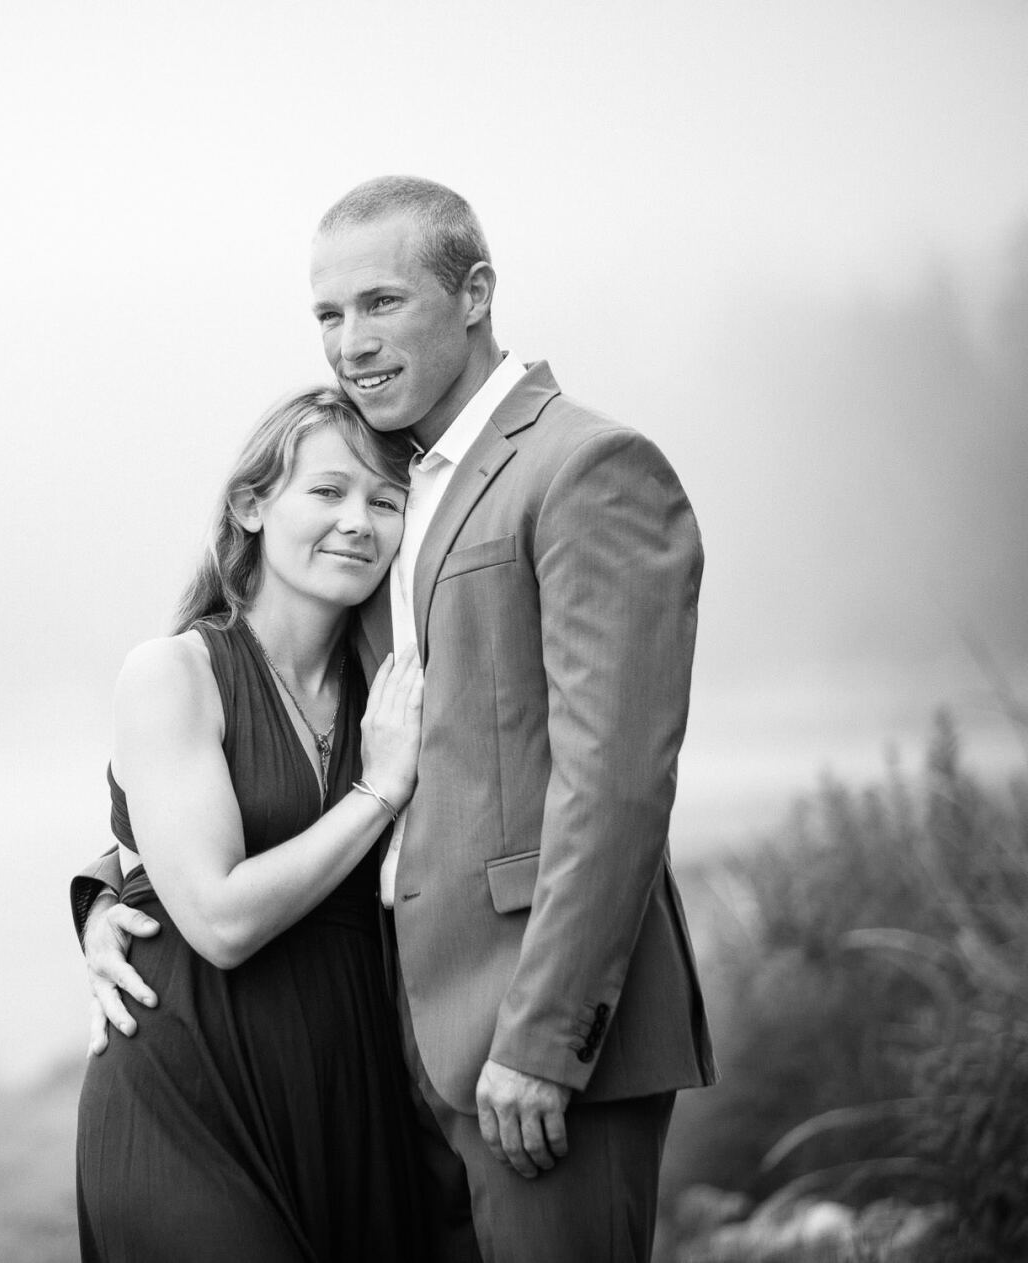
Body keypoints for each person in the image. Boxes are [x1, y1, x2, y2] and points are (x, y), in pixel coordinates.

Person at [74, 176, 716, 1262]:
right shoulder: (407, 496)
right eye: (329, 314)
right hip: (395, 1055)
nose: (351, 341)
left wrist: (547, 1038)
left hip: (529, 1041)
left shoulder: (583, 468)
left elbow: (615, 783)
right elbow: (290, 752)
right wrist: (111, 891)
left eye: (381, 303)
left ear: (474, 293)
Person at [75, 387, 428, 1261]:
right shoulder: (174, 673)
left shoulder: (399, 687)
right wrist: (377, 793)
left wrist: (97, 894)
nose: (358, 521)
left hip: (349, 1101)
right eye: (328, 491)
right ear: (252, 504)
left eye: (386, 501)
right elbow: (221, 919)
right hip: (187, 1103)